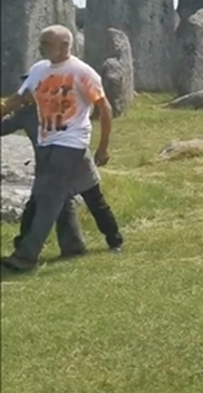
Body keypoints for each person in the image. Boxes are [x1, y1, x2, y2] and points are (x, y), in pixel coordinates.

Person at [0, 25, 115, 272]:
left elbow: (104, 109)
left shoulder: (82, 72)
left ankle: (26, 256)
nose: (41, 48)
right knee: (53, 197)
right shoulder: (38, 70)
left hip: (71, 143)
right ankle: (72, 246)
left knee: (49, 199)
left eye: (46, 44)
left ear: (65, 46)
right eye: (41, 43)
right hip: (46, 143)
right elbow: (15, 101)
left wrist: (103, 147)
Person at [4, 72, 124, 256]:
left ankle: (115, 240)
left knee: (95, 202)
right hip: (49, 168)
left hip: (77, 162)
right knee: (34, 206)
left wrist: (102, 148)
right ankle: (25, 246)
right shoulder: (24, 114)